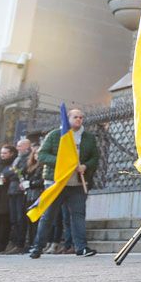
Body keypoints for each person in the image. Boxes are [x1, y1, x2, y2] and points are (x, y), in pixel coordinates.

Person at [29, 109, 98, 258]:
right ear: (68, 119)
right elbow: (42, 155)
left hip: (77, 184)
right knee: (48, 216)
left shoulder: (88, 138)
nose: (79, 119)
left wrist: (85, 166)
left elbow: (95, 157)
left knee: (78, 215)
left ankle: (81, 247)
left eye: (81, 117)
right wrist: (63, 164)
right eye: (75, 117)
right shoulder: (55, 135)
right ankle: (37, 247)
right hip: (56, 182)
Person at [2, 139, 32, 254]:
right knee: (13, 218)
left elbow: (20, 171)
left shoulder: (28, 158)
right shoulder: (17, 158)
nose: (17, 148)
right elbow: (7, 172)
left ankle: (20, 243)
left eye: (20, 146)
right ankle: (14, 242)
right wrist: (12, 173)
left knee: (20, 218)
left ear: (27, 146)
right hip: (12, 190)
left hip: (21, 191)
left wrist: (12, 173)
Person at [0, 144, 16, 254]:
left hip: (7, 195)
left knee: (5, 223)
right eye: (1, 153)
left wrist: (8, 179)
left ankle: (1, 246)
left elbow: (16, 175)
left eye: (5, 153)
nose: (2, 155)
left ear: (11, 154)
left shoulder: (14, 163)